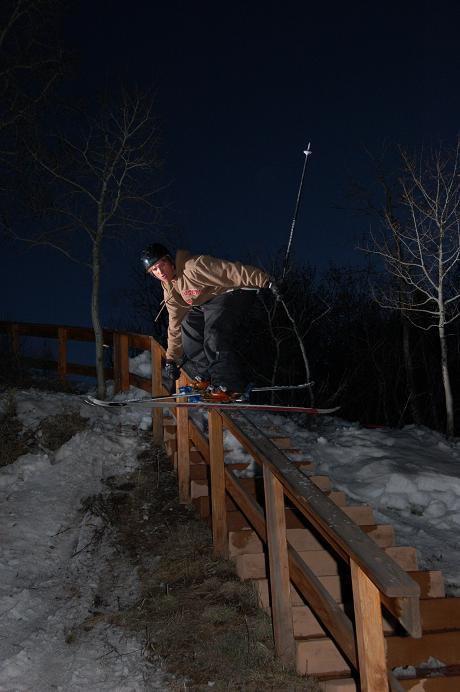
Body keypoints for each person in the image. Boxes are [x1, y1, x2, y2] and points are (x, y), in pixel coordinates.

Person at [141, 243, 275, 400]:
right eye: (154, 270)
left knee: (214, 332)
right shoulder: (169, 290)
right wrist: (171, 358)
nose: (160, 272)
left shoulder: (193, 266)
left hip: (234, 291)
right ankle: (206, 377)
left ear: (169, 260)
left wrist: (266, 281)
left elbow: (231, 271)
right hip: (209, 302)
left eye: (161, 265)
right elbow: (174, 324)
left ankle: (229, 384)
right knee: (188, 325)